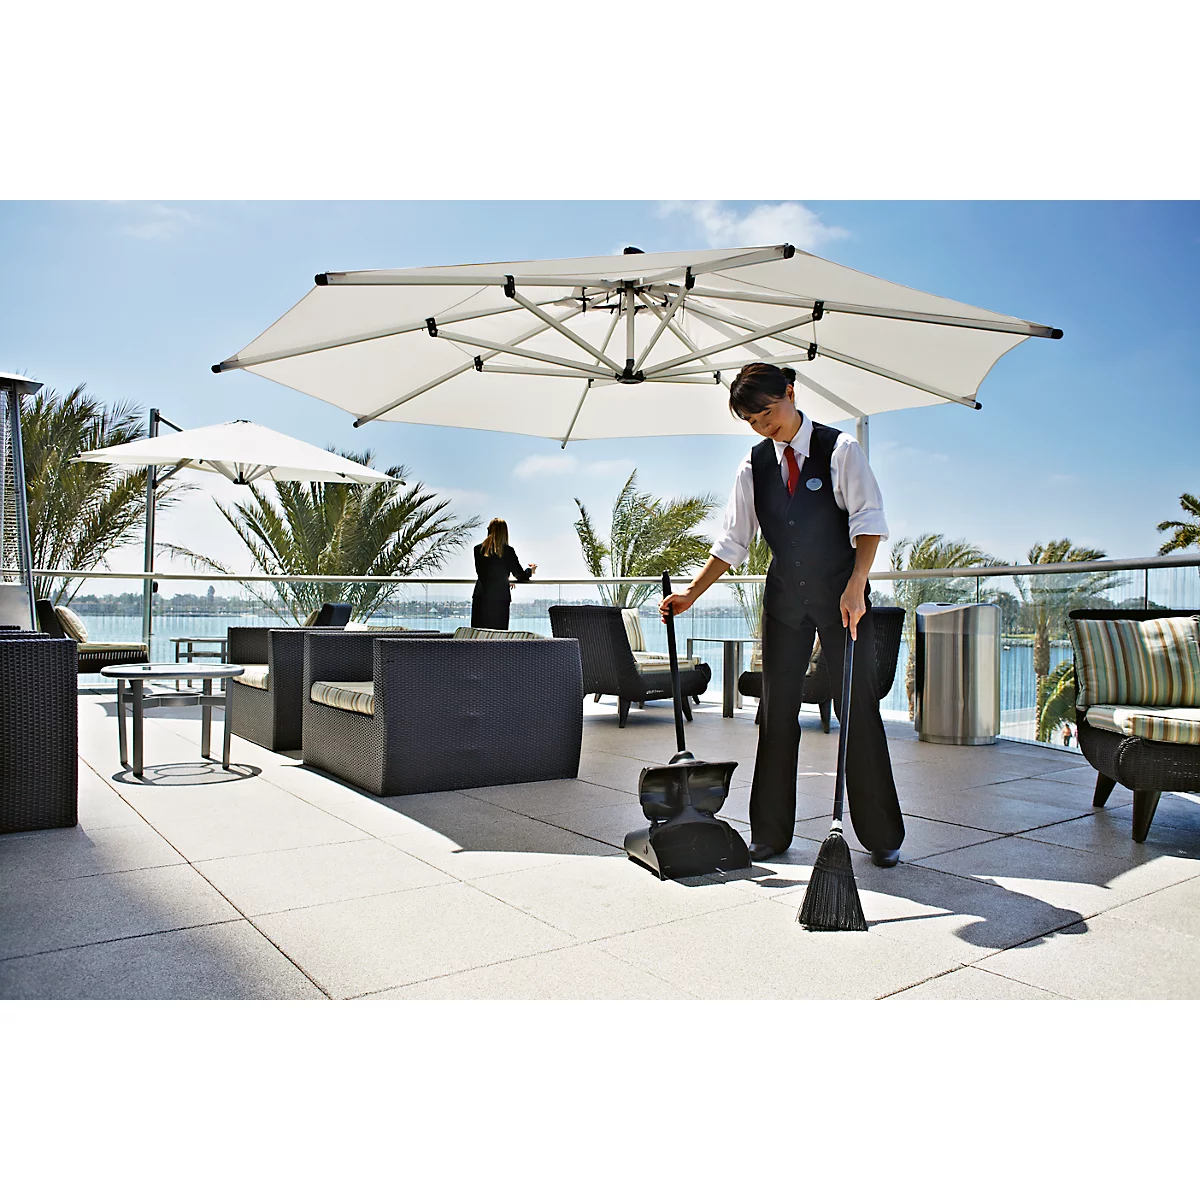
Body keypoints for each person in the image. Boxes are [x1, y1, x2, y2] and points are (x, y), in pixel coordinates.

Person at [659, 363, 905, 866]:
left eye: (766, 413)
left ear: (790, 394)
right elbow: (733, 542)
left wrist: (858, 584)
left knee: (858, 709)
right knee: (775, 714)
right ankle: (770, 831)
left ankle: (881, 835)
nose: (761, 426)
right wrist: (692, 595)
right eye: (750, 420)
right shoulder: (753, 466)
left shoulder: (840, 451)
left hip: (845, 600)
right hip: (784, 603)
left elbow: (869, 523)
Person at [471, 518, 537, 630]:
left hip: (481, 597)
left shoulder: (478, 550)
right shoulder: (508, 551)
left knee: (479, 637)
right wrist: (531, 570)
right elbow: (520, 576)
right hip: (500, 598)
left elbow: (484, 574)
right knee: (499, 638)